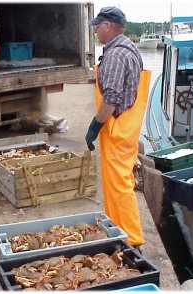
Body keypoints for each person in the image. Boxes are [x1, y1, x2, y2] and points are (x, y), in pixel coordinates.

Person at [85, 7, 151, 246]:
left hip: (116, 127)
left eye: (97, 25)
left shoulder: (114, 56)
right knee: (118, 181)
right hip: (128, 127)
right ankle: (117, 229)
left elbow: (111, 98)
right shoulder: (130, 49)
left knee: (119, 184)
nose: (94, 29)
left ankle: (131, 238)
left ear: (108, 26)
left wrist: (95, 126)